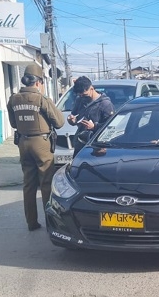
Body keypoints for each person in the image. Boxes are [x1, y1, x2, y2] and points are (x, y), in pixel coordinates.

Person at [7, 63, 65, 231]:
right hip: (41, 143)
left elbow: (13, 123)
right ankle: (50, 223)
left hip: (23, 143)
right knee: (46, 183)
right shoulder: (41, 99)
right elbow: (60, 122)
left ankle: (31, 222)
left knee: (29, 184)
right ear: (39, 82)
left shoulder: (14, 99)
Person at [67, 76, 115, 157]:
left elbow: (111, 127)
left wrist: (94, 127)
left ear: (92, 88)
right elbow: (74, 117)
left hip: (98, 146)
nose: (83, 97)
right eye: (80, 95)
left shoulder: (105, 104)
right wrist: (72, 120)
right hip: (81, 144)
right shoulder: (79, 100)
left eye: (85, 95)